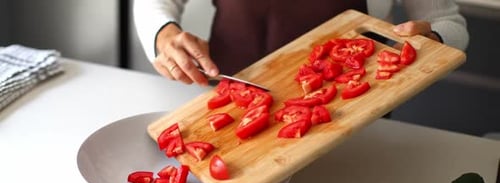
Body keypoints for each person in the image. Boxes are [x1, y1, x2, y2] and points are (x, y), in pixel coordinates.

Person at [134, 0, 469, 86]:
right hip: (234, 104)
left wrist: (433, 40)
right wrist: (163, 35)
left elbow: (449, 23)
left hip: (353, 126)